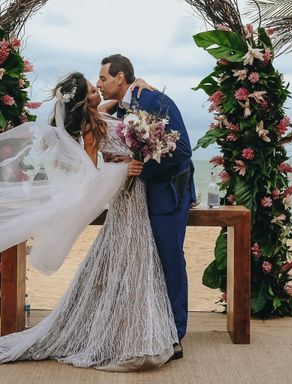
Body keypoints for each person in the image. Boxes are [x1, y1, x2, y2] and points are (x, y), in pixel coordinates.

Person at [0, 72, 179, 370]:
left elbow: (117, 101)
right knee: (131, 260)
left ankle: (135, 329)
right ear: (84, 100)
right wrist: (124, 170)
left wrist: (141, 86)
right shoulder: (89, 126)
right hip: (126, 196)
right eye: (91, 89)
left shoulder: (102, 112)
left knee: (135, 261)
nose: (97, 89)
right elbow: (89, 173)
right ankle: (128, 337)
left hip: (138, 195)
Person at [97, 54, 195, 359]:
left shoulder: (151, 100)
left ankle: (176, 333)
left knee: (170, 259)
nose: (99, 84)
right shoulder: (125, 105)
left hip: (168, 193)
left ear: (121, 78)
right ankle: (155, 326)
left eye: (103, 78)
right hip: (142, 197)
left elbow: (181, 149)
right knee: (150, 263)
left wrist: (139, 165)